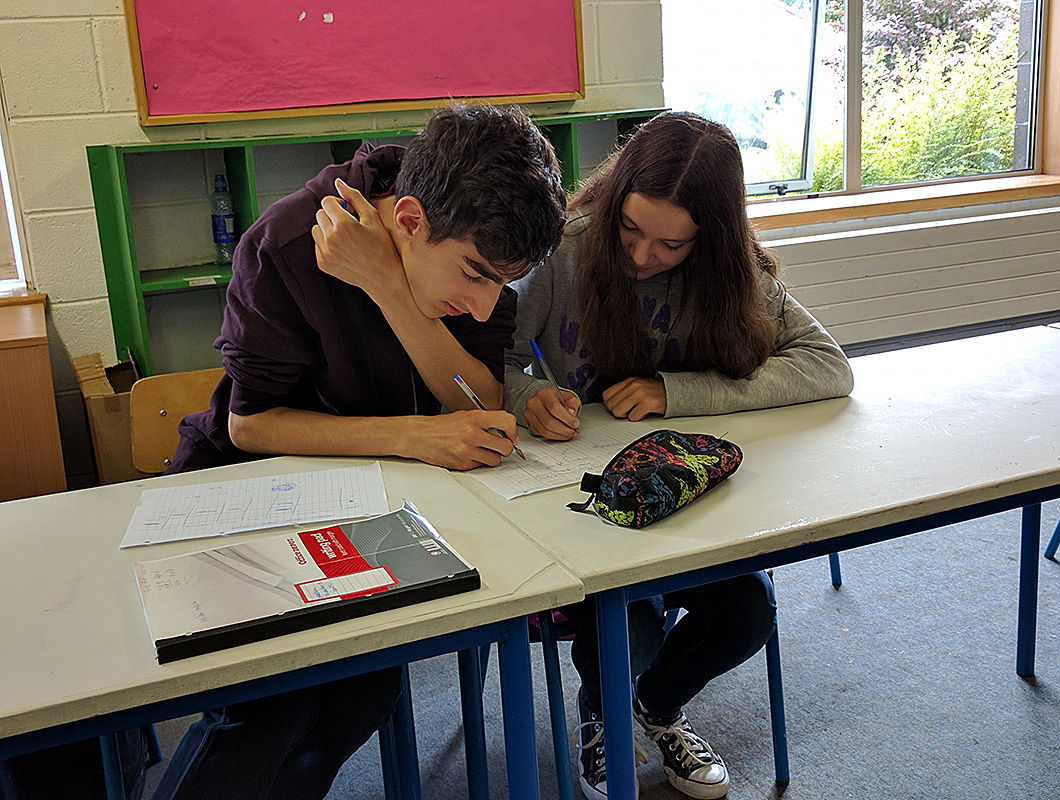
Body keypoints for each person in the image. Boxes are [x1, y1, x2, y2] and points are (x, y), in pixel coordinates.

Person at [145, 104, 566, 800]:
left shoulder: (466, 234)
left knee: (364, 691)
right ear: (409, 219)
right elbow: (251, 426)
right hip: (248, 488)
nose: (483, 306)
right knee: (276, 707)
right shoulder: (284, 241)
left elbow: (477, 396)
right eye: (474, 275)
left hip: (368, 499)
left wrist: (386, 285)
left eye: (501, 282)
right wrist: (411, 435)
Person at [504, 111, 853, 800]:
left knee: (746, 612)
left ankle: (655, 706)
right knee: (625, 623)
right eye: (629, 229)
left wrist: (677, 393)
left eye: (670, 245)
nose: (641, 257)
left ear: (710, 238)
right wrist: (525, 396)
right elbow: (493, 359)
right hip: (583, 505)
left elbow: (827, 366)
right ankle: (602, 715)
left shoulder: (733, 272)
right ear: (613, 202)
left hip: (690, 502)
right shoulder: (566, 247)